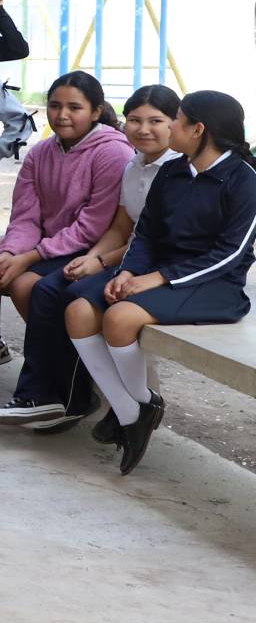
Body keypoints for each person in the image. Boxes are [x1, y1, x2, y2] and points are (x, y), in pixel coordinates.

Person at [63, 91, 256, 474]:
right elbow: (147, 234)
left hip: (214, 286)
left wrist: (157, 278)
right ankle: (132, 410)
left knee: (119, 318)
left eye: (178, 120)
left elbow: (231, 254)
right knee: (78, 312)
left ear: (199, 130)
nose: (171, 127)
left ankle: (136, 409)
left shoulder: (244, 179)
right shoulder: (172, 171)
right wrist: (128, 272)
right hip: (155, 273)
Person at [0, 85, 181, 431]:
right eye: (134, 120)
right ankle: (45, 395)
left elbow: (156, 241)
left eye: (155, 121)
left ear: (176, 124)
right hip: (126, 256)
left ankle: (75, 398)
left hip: (157, 266)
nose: (143, 129)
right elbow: (121, 227)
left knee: (69, 297)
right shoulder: (135, 164)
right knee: (47, 288)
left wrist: (101, 262)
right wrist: (93, 257)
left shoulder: (175, 171)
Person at [0, 72, 131, 420]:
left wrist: (27, 258)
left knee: (24, 284)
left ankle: (58, 384)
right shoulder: (42, 152)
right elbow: (25, 216)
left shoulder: (112, 152)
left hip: (90, 251)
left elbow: (91, 227)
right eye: (55, 105)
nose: (62, 115)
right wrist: (9, 253)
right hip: (47, 244)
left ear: (96, 112)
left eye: (74, 107)